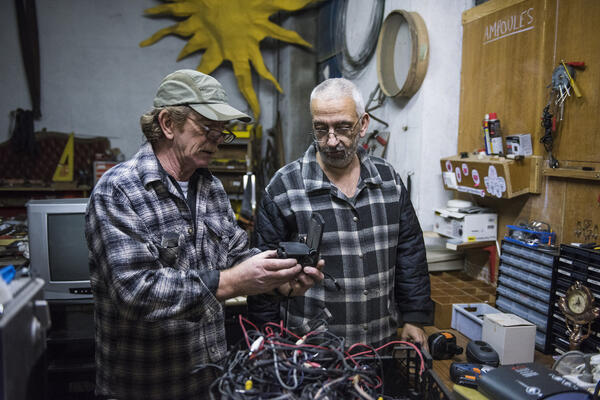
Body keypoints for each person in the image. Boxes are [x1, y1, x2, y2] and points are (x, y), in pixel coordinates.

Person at [85, 69, 323, 400]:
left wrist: (279, 278)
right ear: (168, 124)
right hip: (144, 386)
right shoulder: (119, 191)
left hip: (210, 384)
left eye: (221, 131)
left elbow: (238, 253)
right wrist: (233, 282)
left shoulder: (209, 187)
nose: (216, 139)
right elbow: (136, 293)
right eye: (206, 128)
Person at [248, 77, 433, 350]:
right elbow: (262, 276)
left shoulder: (389, 181)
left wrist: (414, 317)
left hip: (380, 345)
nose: (332, 141)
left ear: (364, 124)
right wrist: (266, 342)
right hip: (311, 351)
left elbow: (410, 251)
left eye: (343, 127)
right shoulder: (284, 188)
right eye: (321, 129)